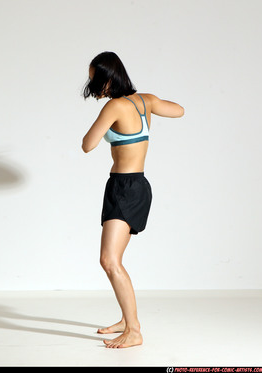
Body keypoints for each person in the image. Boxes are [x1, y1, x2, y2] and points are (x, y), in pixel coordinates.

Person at [82, 51, 184, 348]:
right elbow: (179, 110)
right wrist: (150, 107)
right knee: (115, 260)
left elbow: (87, 145)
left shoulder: (114, 106)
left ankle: (134, 331)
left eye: (94, 80)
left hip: (123, 187)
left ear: (108, 79)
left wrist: (108, 120)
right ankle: (127, 321)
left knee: (109, 261)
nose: (93, 86)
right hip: (139, 185)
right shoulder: (145, 100)